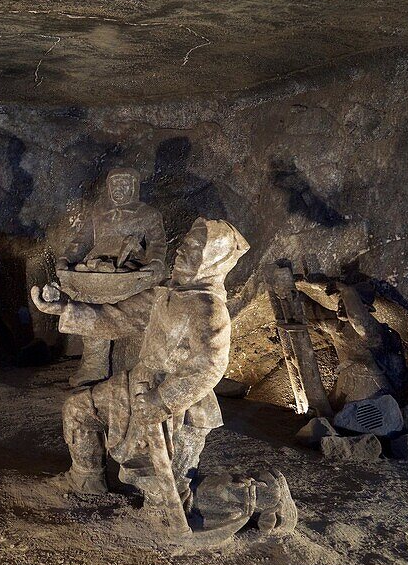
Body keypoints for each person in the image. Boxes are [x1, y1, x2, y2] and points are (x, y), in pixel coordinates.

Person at [34, 218, 250, 539]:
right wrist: (65, 308)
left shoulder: (208, 310)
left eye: (192, 251)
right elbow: (115, 318)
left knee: (164, 494)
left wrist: (162, 400)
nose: (180, 254)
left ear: (212, 260)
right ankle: (86, 481)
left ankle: (256, 496)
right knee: (79, 410)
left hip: (180, 408)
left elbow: (209, 367)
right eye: (183, 247)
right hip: (138, 386)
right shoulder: (164, 297)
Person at [57, 167, 166, 386]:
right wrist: (65, 258)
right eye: (115, 184)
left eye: (125, 185)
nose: (119, 189)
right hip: (96, 268)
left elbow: (157, 242)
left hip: (130, 270)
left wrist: (155, 262)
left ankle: (132, 369)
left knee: (134, 312)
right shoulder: (98, 212)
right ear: (108, 187)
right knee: (91, 310)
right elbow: (81, 241)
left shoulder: (148, 214)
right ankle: (93, 366)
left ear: (134, 188)